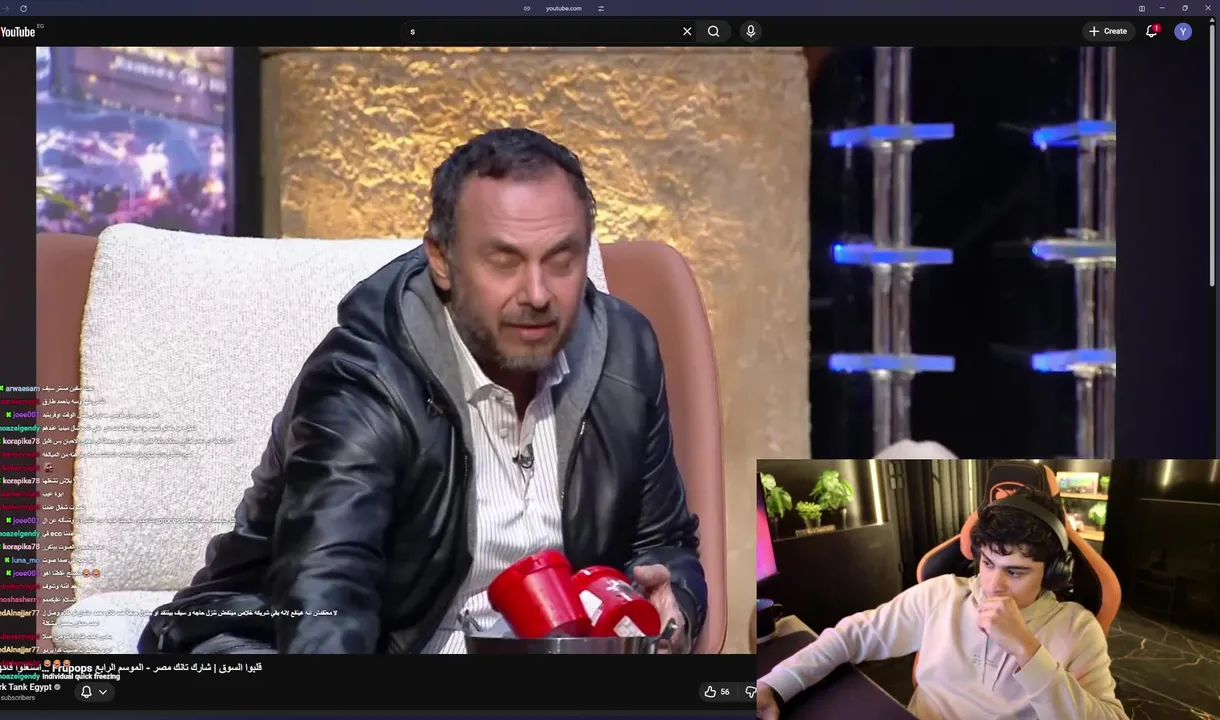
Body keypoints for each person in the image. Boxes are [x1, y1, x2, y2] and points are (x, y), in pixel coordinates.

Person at [136, 127, 706, 655]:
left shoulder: (625, 352)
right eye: (503, 261)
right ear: (441, 260)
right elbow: (327, 594)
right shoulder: (361, 377)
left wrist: (674, 602)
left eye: (561, 261)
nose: (537, 294)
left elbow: (663, 541)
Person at [756, 486, 1127, 720]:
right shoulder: (943, 595)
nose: (993, 586)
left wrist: (1028, 652)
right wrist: (774, 686)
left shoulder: (1077, 629)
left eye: (1015, 572)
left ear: (1051, 573)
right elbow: (853, 635)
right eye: (987, 563)